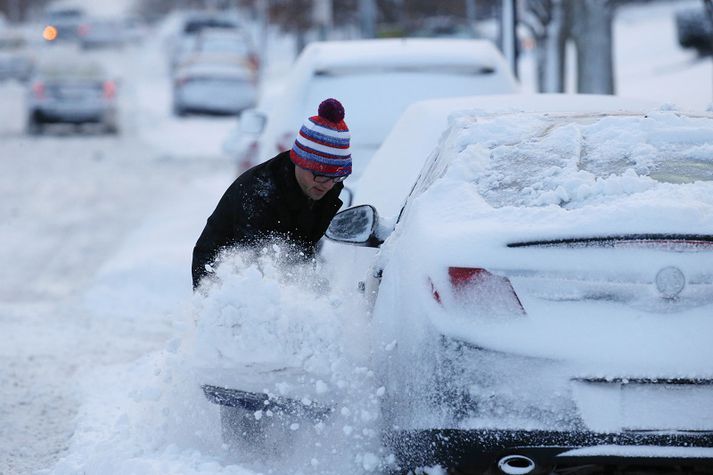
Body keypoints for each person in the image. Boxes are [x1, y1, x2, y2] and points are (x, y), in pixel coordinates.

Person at [191, 98, 351, 290]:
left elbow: (304, 252)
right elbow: (256, 264)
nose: (327, 185)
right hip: (222, 277)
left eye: (336, 177)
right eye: (319, 174)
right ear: (300, 161)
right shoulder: (260, 192)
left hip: (277, 276)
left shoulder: (326, 187)